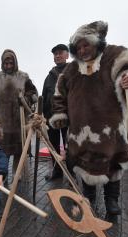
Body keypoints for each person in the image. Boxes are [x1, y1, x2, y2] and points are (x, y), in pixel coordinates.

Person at [50, 21, 128, 217]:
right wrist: (60, 114)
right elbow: (59, 94)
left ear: (96, 43)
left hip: (110, 129)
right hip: (81, 132)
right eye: (78, 47)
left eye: (86, 45)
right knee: (84, 166)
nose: (82, 51)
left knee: (113, 165)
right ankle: (88, 199)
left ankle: (111, 200)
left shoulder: (114, 56)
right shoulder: (71, 70)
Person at [0, 49, 38, 178]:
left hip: (19, 122)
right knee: (2, 152)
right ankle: (1, 175)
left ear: (15, 62)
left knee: (19, 151)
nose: (8, 66)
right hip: (1, 123)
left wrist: (26, 98)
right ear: (2, 63)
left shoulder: (23, 77)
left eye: (11, 63)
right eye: (6, 63)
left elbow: (34, 93)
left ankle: (17, 174)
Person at [42, 44, 69, 180]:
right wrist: (42, 115)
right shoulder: (49, 76)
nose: (57, 56)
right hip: (51, 118)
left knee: (70, 146)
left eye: (60, 53)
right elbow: (44, 96)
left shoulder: (72, 72)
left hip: (68, 118)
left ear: (67, 55)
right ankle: (57, 172)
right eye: (55, 54)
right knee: (53, 147)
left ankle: (72, 174)